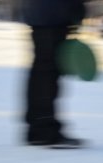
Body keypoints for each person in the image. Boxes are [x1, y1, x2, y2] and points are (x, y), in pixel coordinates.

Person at [21, 0, 86, 148]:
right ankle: (44, 131)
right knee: (47, 74)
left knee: (41, 71)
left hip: (42, 13)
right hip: (53, 13)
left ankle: (38, 129)